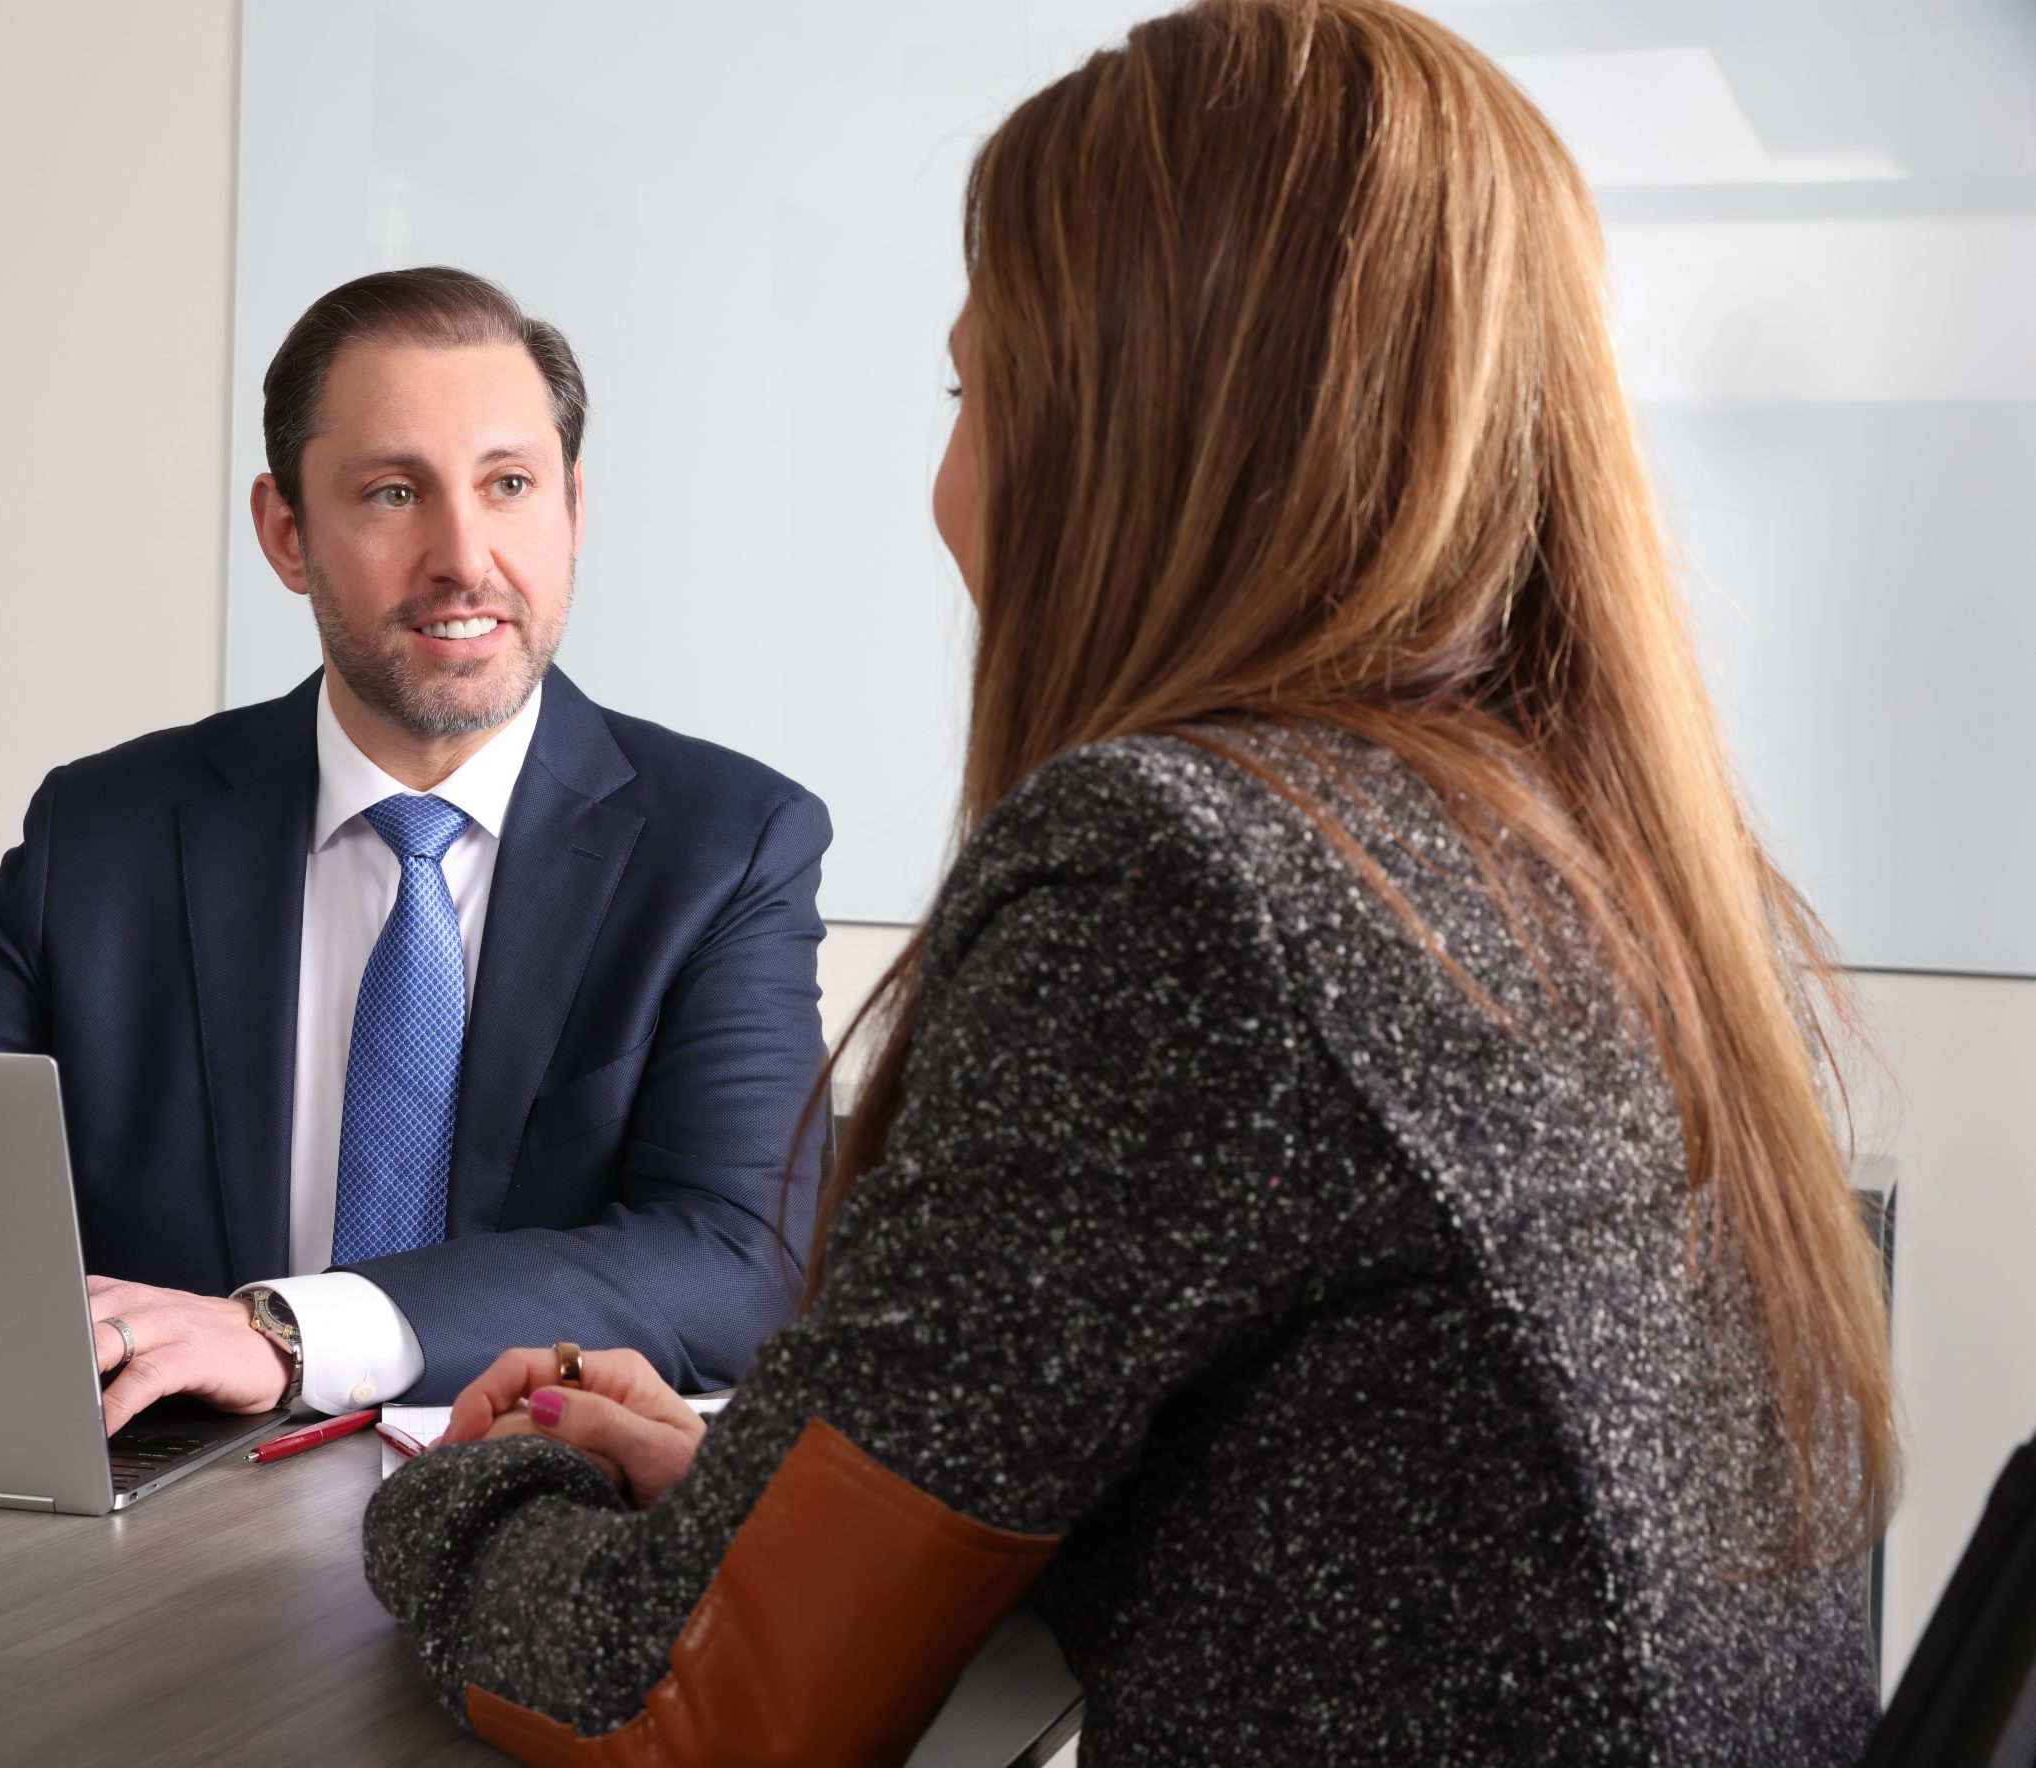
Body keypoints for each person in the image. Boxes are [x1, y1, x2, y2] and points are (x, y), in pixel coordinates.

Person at [359, 4, 1897, 1763]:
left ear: (1135, 427)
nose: (946, 486)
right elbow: (1303, 1504)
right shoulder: (1581, 862)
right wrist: (760, 1494)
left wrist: (463, 1497)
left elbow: (699, 1710)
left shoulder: (1183, 883)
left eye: (972, 393)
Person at [0, 268, 829, 1428]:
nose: (463, 557)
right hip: (170, 1501)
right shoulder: (106, 833)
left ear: (573, 510)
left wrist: (291, 1332)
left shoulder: (725, 845)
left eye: (509, 485)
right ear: (287, 533)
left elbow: (736, 1263)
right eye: (392, 493)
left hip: (524, 1497)